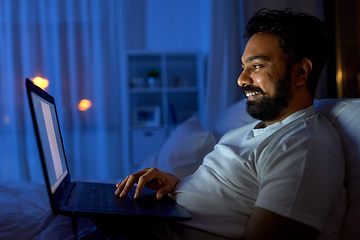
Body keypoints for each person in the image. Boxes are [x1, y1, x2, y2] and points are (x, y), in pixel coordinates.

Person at [114, 8, 346, 240]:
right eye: (243, 67)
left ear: (301, 72)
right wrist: (177, 185)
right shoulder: (247, 131)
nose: (241, 79)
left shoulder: (302, 148)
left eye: (256, 66)